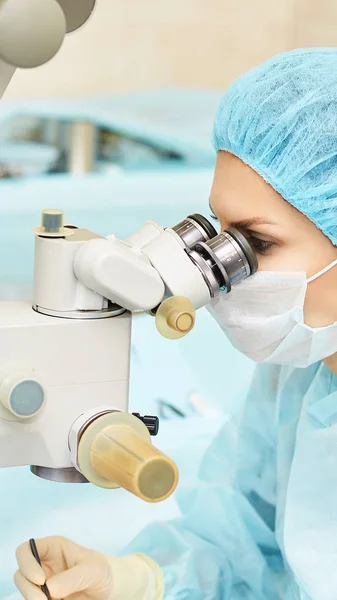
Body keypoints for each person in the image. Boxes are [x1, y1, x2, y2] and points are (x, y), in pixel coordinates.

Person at [14, 47, 337, 600]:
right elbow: (243, 540)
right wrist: (133, 581)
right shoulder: (303, 379)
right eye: (217, 230)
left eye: (255, 244)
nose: (225, 273)